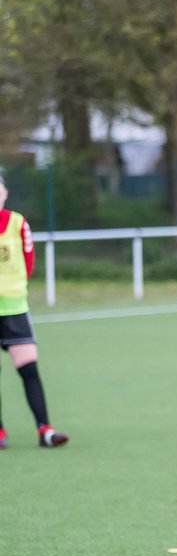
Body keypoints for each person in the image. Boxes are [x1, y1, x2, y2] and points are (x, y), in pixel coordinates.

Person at [0, 174, 69, 449]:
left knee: (28, 369)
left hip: (15, 308)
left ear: (5, 192)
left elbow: (28, 261)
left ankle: (45, 430)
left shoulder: (18, 222)